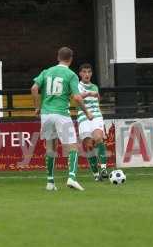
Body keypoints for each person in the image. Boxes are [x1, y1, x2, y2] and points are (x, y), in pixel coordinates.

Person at [31, 47, 93, 191]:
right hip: (61, 114)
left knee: (51, 147)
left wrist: (37, 107)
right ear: (70, 59)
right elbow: (77, 97)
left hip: (46, 114)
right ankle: (71, 177)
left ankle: (50, 182)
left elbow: (34, 88)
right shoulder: (71, 75)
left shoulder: (46, 72)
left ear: (58, 57)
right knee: (73, 147)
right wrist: (87, 112)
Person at [77, 63, 108, 181]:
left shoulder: (95, 86)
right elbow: (77, 98)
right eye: (84, 72)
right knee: (89, 146)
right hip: (83, 118)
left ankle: (104, 169)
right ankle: (96, 175)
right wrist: (89, 93)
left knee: (98, 138)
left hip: (96, 116)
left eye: (89, 72)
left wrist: (100, 113)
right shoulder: (76, 86)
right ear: (80, 74)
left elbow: (97, 100)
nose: (87, 74)